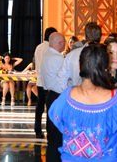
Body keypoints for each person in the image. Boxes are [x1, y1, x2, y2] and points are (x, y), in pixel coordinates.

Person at [49, 44, 117, 161]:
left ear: (80, 67)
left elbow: (57, 120)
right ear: (106, 68)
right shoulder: (116, 99)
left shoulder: (66, 96)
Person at [41, 32, 66, 161]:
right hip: (58, 96)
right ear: (60, 43)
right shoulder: (58, 58)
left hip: (50, 95)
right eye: (64, 42)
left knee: (52, 133)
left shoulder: (47, 54)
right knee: (58, 133)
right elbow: (65, 79)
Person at [59, 22, 102, 89]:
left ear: (85, 36)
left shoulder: (72, 55)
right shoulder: (107, 54)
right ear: (100, 36)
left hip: (77, 92)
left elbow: (62, 79)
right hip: (101, 94)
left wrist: (70, 92)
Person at [34, 26, 57, 138]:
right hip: (49, 83)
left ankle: (37, 130)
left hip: (39, 81)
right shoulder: (51, 49)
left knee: (39, 107)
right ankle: (49, 130)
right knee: (49, 107)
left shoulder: (38, 47)